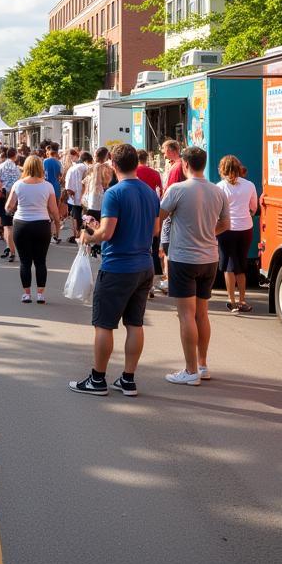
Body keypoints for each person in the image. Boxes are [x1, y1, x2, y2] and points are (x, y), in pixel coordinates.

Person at [69, 144, 160, 397]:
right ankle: (128, 379)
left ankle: (98, 379)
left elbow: (107, 233)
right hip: (144, 265)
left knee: (104, 324)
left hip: (118, 266)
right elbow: (154, 230)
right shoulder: (150, 193)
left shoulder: (114, 193)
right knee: (135, 324)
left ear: (114, 164)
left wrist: (89, 236)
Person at [159, 146, 229, 386]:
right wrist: (209, 231)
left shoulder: (177, 189)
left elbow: (161, 217)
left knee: (186, 315)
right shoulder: (218, 191)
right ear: (204, 164)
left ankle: (190, 371)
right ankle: (202, 364)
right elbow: (225, 224)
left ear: (185, 165)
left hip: (183, 258)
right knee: (202, 314)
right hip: (209, 257)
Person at [5, 154, 59, 303]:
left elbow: (9, 206)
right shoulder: (48, 186)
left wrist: (10, 210)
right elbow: (54, 209)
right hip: (42, 224)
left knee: (25, 261)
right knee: (41, 261)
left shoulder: (19, 184)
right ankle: (40, 294)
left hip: (22, 224)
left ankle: (27, 294)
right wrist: (57, 224)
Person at [214, 155, 258, 312]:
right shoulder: (250, 185)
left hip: (226, 229)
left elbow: (216, 210)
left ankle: (231, 300)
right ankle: (242, 300)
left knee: (228, 265)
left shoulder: (219, 187)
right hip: (246, 228)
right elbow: (254, 207)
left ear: (222, 169)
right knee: (241, 264)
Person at [136, 149, 164, 298]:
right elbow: (160, 192)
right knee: (153, 248)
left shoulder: (134, 172)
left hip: (137, 213)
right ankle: (151, 286)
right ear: (147, 158)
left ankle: (140, 284)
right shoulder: (155, 173)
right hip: (152, 212)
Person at [158, 139, 184, 292]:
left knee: (167, 244)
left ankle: (169, 279)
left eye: (164, 150)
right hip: (175, 211)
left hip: (171, 212)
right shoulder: (177, 165)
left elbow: (171, 191)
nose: (163, 153)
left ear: (172, 150)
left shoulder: (177, 167)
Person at [0, 146, 21, 261]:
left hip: (4, 197)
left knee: (7, 225)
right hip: (15, 197)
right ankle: (9, 246)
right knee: (12, 224)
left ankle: (11, 250)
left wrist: (1, 188)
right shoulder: (17, 169)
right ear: (15, 156)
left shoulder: (1, 166)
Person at [64, 150, 90, 243]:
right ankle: (84, 235)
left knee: (76, 216)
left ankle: (77, 235)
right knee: (85, 216)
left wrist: (70, 194)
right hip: (87, 197)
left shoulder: (73, 168)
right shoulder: (88, 167)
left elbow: (68, 187)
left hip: (75, 198)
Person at [43, 144, 64, 243]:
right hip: (56, 187)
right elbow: (60, 175)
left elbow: (42, 174)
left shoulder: (45, 161)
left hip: (46, 187)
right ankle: (57, 234)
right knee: (56, 211)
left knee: (48, 211)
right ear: (55, 153)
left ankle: (49, 234)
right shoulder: (58, 163)